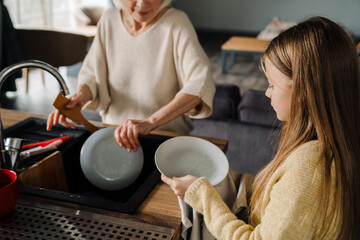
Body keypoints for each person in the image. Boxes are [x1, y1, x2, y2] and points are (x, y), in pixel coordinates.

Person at [162, 16, 360, 239]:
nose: (267, 92)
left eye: (272, 85)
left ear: (303, 93)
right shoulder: (328, 146)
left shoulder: (309, 169)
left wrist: (203, 196)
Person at [47, 0, 215, 152]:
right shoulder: (109, 19)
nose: (142, 4)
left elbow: (199, 83)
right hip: (113, 135)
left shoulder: (176, 22)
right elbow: (92, 74)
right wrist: (79, 99)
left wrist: (150, 122)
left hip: (164, 139)